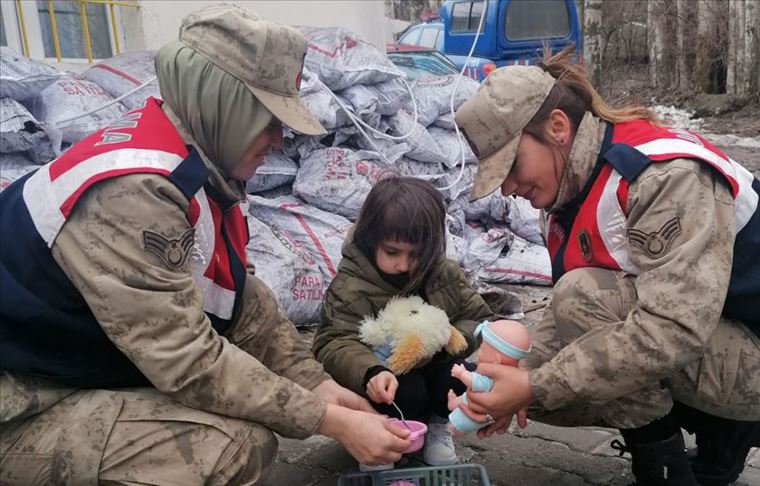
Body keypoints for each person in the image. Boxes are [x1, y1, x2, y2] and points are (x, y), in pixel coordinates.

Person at [0, 5, 410, 485]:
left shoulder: (197, 173)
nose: (278, 140)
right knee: (229, 448)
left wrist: (315, 383)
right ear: (226, 105)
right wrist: (327, 420)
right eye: (268, 120)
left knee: (250, 418)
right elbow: (186, 359)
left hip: (64, 370)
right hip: (22, 401)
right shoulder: (134, 193)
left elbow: (241, 304)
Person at [451, 46, 760, 486]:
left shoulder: (661, 178)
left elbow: (672, 328)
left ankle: (667, 468)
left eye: (511, 165)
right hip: (722, 333)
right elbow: (571, 325)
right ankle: (718, 434)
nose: (507, 188)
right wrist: (509, 385)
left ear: (558, 128)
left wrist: (536, 384)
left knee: (577, 311)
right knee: (540, 383)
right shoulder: (567, 190)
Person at [313, 176, 494, 468]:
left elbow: (478, 316)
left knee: (465, 374)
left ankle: (438, 425)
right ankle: (377, 435)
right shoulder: (351, 286)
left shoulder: (443, 274)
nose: (404, 265)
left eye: (417, 255)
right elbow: (332, 341)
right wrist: (369, 371)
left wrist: (450, 339)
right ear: (371, 241)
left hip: (434, 369)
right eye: (392, 252)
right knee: (406, 390)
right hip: (385, 381)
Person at [447, 320, 530, 435]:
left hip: (473, 410)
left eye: (481, 349)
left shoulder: (492, 378)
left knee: (461, 408)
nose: (479, 353)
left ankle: (451, 429)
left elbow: (474, 381)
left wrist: (461, 373)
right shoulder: (514, 376)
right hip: (484, 410)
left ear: (496, 359)